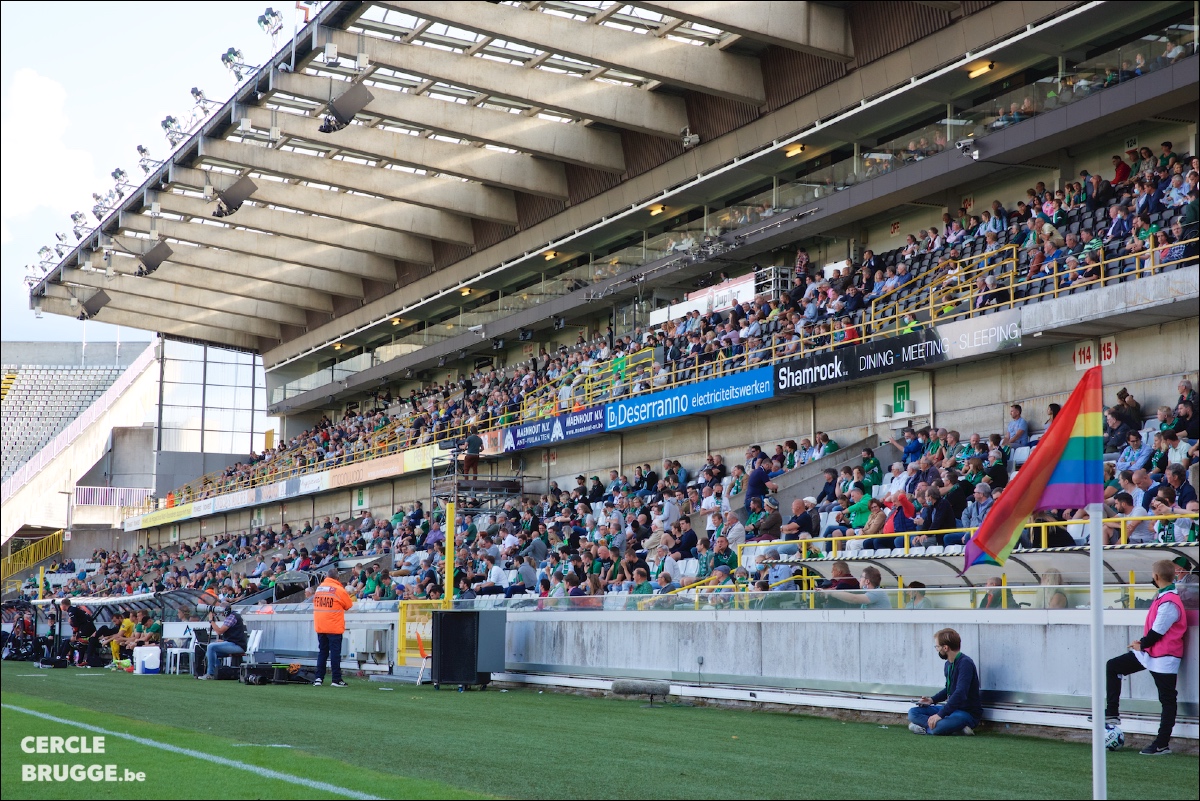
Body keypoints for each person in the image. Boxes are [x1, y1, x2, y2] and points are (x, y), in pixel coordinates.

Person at [1104, 560, 1186, 755]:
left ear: (1156, 577)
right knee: (1113, 666)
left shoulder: (1169, 601)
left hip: (1165, 656)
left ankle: (1162, 743)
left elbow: (1158, 631)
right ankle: (1112, 713)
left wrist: (1141, 644)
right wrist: (1142, 644)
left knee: (1167, 700)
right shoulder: (1164, 597)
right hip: (1152, 653)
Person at [907, 627, 983, 736]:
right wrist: (931, 700)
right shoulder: (948, 664)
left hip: (966, 713)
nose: (937, 649)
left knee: (940, 727)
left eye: (937, 646)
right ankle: (955, 729)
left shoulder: (965, 663)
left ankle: (924, 728)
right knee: (913, 713)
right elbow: (949, 689)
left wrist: (940, 715)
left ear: (945, 647)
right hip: (951, 710)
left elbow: (960, 693)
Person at [312, 567, 354, 686]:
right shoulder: (339, 589)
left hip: (320, 625)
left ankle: (318, 678)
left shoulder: (319, 589)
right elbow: (348, 605)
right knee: (335, 654)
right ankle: (336, 679)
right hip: (334, 626)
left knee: (322, 652)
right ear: (338, 578)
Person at [197, 603, 249, 680]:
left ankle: (210, 674)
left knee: (211, 646)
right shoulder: (232, 616)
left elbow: (219, 631)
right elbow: (233, 634)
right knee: (210, 651)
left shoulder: (231, 617)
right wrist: (224, 641)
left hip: (238, 646)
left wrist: (211, 620)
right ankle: (219, 672)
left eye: (220, 610)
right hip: (234, 643)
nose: (220, 612)